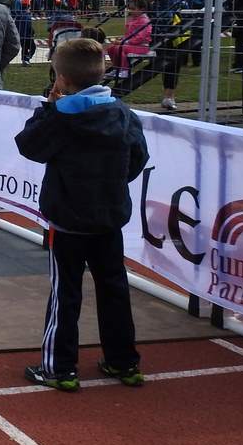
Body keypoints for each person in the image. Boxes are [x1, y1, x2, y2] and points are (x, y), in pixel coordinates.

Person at [15, 38, 149, 392]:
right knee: (114, 289)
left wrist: (47, 106)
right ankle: (124, 361)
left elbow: (29, 145)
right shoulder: (122, 113)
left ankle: (60, 367)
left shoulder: (60, 117)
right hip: (108, 216)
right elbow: (137, 158)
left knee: (65, 292)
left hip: (68, 220)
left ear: (61, 78)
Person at [104, 0, 152, 78]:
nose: (130, 11)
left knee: (119, 48)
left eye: (133, 9)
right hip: (131, 45)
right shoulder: (133, 19)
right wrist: (122, 40)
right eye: (130, 9)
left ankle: (125, 70)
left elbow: (140, 37)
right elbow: (128, 34)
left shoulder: (145, 21)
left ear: (142, 9)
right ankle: (117, 68)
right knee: (111, 48)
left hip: (141, 46)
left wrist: (125, 42)